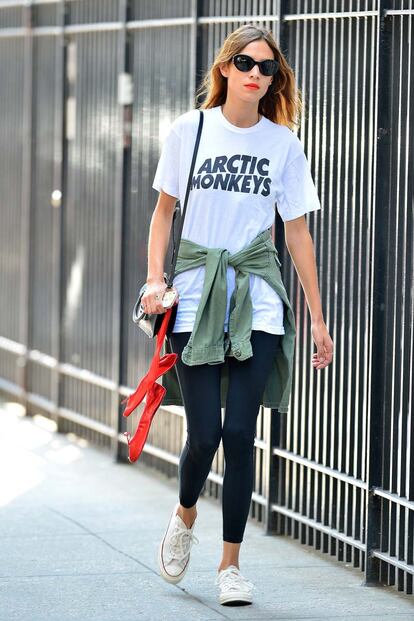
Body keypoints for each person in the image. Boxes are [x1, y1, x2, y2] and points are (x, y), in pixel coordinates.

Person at [141, 23, 333, 607]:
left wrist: (318, 320)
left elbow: (296, 234)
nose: (256, 74)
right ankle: (184, 515)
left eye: (267, 68)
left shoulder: (283, 144)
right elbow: (163, 212)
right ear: (225, 68)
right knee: (203, 436)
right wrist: (155, 280)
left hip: (260, 301)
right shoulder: (190, 130)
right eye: (246, 63)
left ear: (275, 79)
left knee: (241, 432)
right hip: (198, 300)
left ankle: (230, 566)